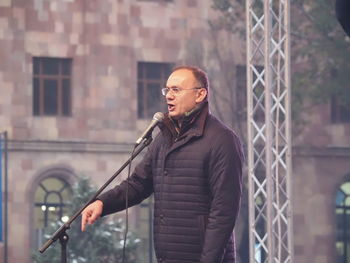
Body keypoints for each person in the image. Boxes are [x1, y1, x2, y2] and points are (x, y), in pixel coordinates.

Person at [81, 66, 244, 263]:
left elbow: (224, 212)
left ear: (200, 94)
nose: (169, 96)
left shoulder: (222, 140)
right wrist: (102, 203)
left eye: (176, 90)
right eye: (167, 90)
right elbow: (138, 184)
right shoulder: (164, 138)